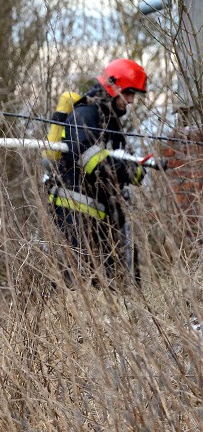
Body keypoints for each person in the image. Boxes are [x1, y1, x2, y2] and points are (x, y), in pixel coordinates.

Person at [48, 59, 148, 287]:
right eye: (129, 93)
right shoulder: (86, 114)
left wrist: (136, 169)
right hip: (75, 212)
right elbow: (89, 158)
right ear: (113, 87)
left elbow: (116, 159)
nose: (131, 100)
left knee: (110, 281)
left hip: (101, 214)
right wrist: (128, 171)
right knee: (78, 281)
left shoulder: (109, 121)